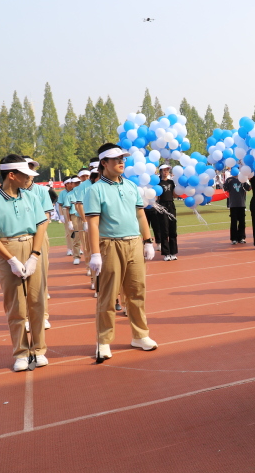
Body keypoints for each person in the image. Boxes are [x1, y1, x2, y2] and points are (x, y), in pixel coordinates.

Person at [85, 143, 158, 360]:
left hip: (134, 243)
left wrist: (147, 241)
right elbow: (93, 223)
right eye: (116, 159)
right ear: (104, 163)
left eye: (122, 158)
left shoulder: (131, 186)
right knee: (108, 296)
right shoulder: (95, 190)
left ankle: (140, 335)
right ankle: (103, 341)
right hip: (110, 245)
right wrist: (95, 253)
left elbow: (141, 215)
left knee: (136, 292)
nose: (121, 162)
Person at [0, 154, 49, 371]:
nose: (29, 178)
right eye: (25, 174)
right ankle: (21, 353)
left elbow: (41, 226)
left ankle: (38, 350)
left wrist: (35, 255)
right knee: (16, 306)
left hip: (32, 246)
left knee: (37, 303)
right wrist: (11, 260)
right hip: (7, 249)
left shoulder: (31, 197)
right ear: (11, 175)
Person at [22, 156, 54, 330]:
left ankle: (43, 316)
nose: (29, 172)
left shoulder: (41, 191)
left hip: (39, 236)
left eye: (31, 168)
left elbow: (47, 216)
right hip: (20, 238)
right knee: (22, 278)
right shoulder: (13, 191)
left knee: (40, 277)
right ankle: (26, 316)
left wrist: (38, 235)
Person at [156, 164, 179, 260]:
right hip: (162, 206)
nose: (166, 172)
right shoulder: (157, 182)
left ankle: (173, 252)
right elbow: (156, 196)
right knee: (164, 230)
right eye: (164, 170)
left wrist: (179, 188)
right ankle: (166, 253)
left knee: (173, 229)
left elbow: (175, 195)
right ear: (160, 171)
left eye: (167, 170)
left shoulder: (171, 182)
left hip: (171, 205)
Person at [224, 171, 251, 245]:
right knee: (234, 222)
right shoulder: (229, 180)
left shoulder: (242, 179)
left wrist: (251, 179)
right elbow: (225, 188)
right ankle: (234, 238)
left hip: (241, 204)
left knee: (242, 222)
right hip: (233, 204)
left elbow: (248, 188)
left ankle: (241, 237)